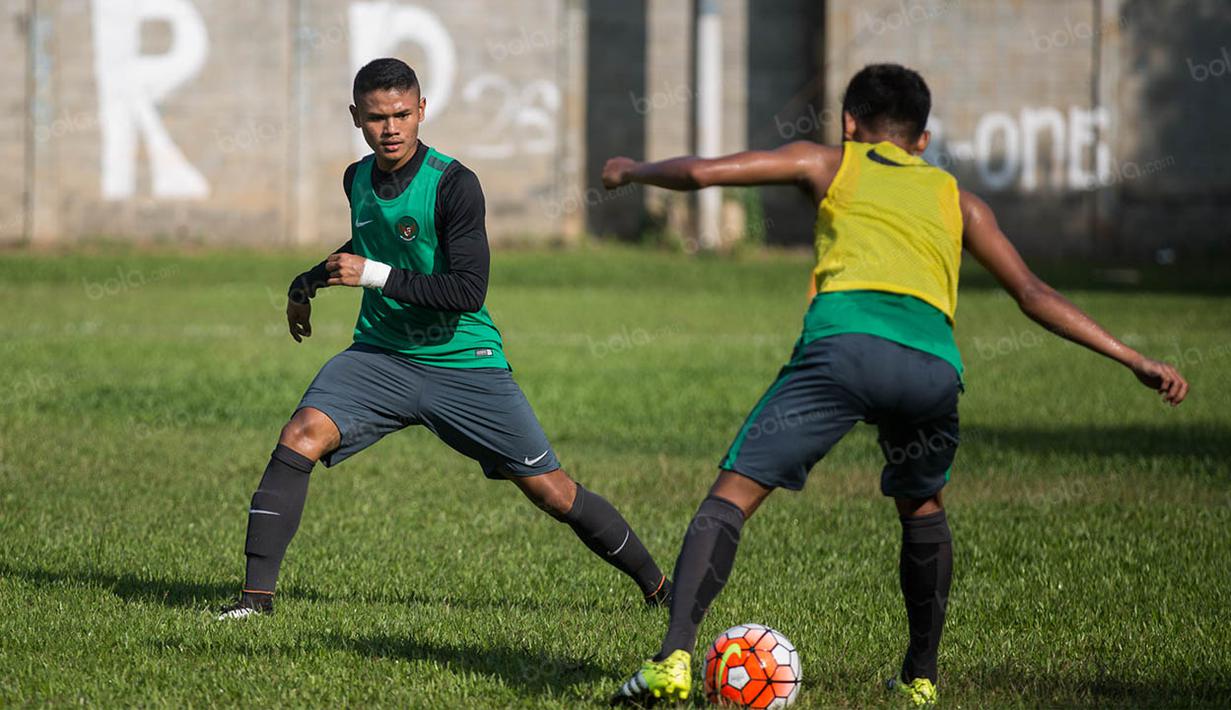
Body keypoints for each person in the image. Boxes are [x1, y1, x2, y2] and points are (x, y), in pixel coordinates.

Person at [602, 63, 1188, 706]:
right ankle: (920, 678)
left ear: (850, 124)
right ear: (924, 140)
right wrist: (1132, 357)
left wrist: (632, 171)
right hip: (931, 371)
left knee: (731, 498)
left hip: (842, 353)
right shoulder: (959, 200)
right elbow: (1033, 292)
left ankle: (674, 658)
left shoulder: (830, 163)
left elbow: (701, 173)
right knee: (923, 507)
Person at [218, 58, 671, 620]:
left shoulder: (456, 184)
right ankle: (254, 605)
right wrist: (306, 282)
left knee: (550, 490)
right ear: (356, 116)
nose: (391, 129)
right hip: (381, 355)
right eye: (378, 117)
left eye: (403, 114)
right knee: (301, 434)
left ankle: (661, 589)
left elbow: (467, 291)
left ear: (422, 110)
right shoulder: (355, 178)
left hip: (464, 361)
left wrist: (373, 276)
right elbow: (370, 241)